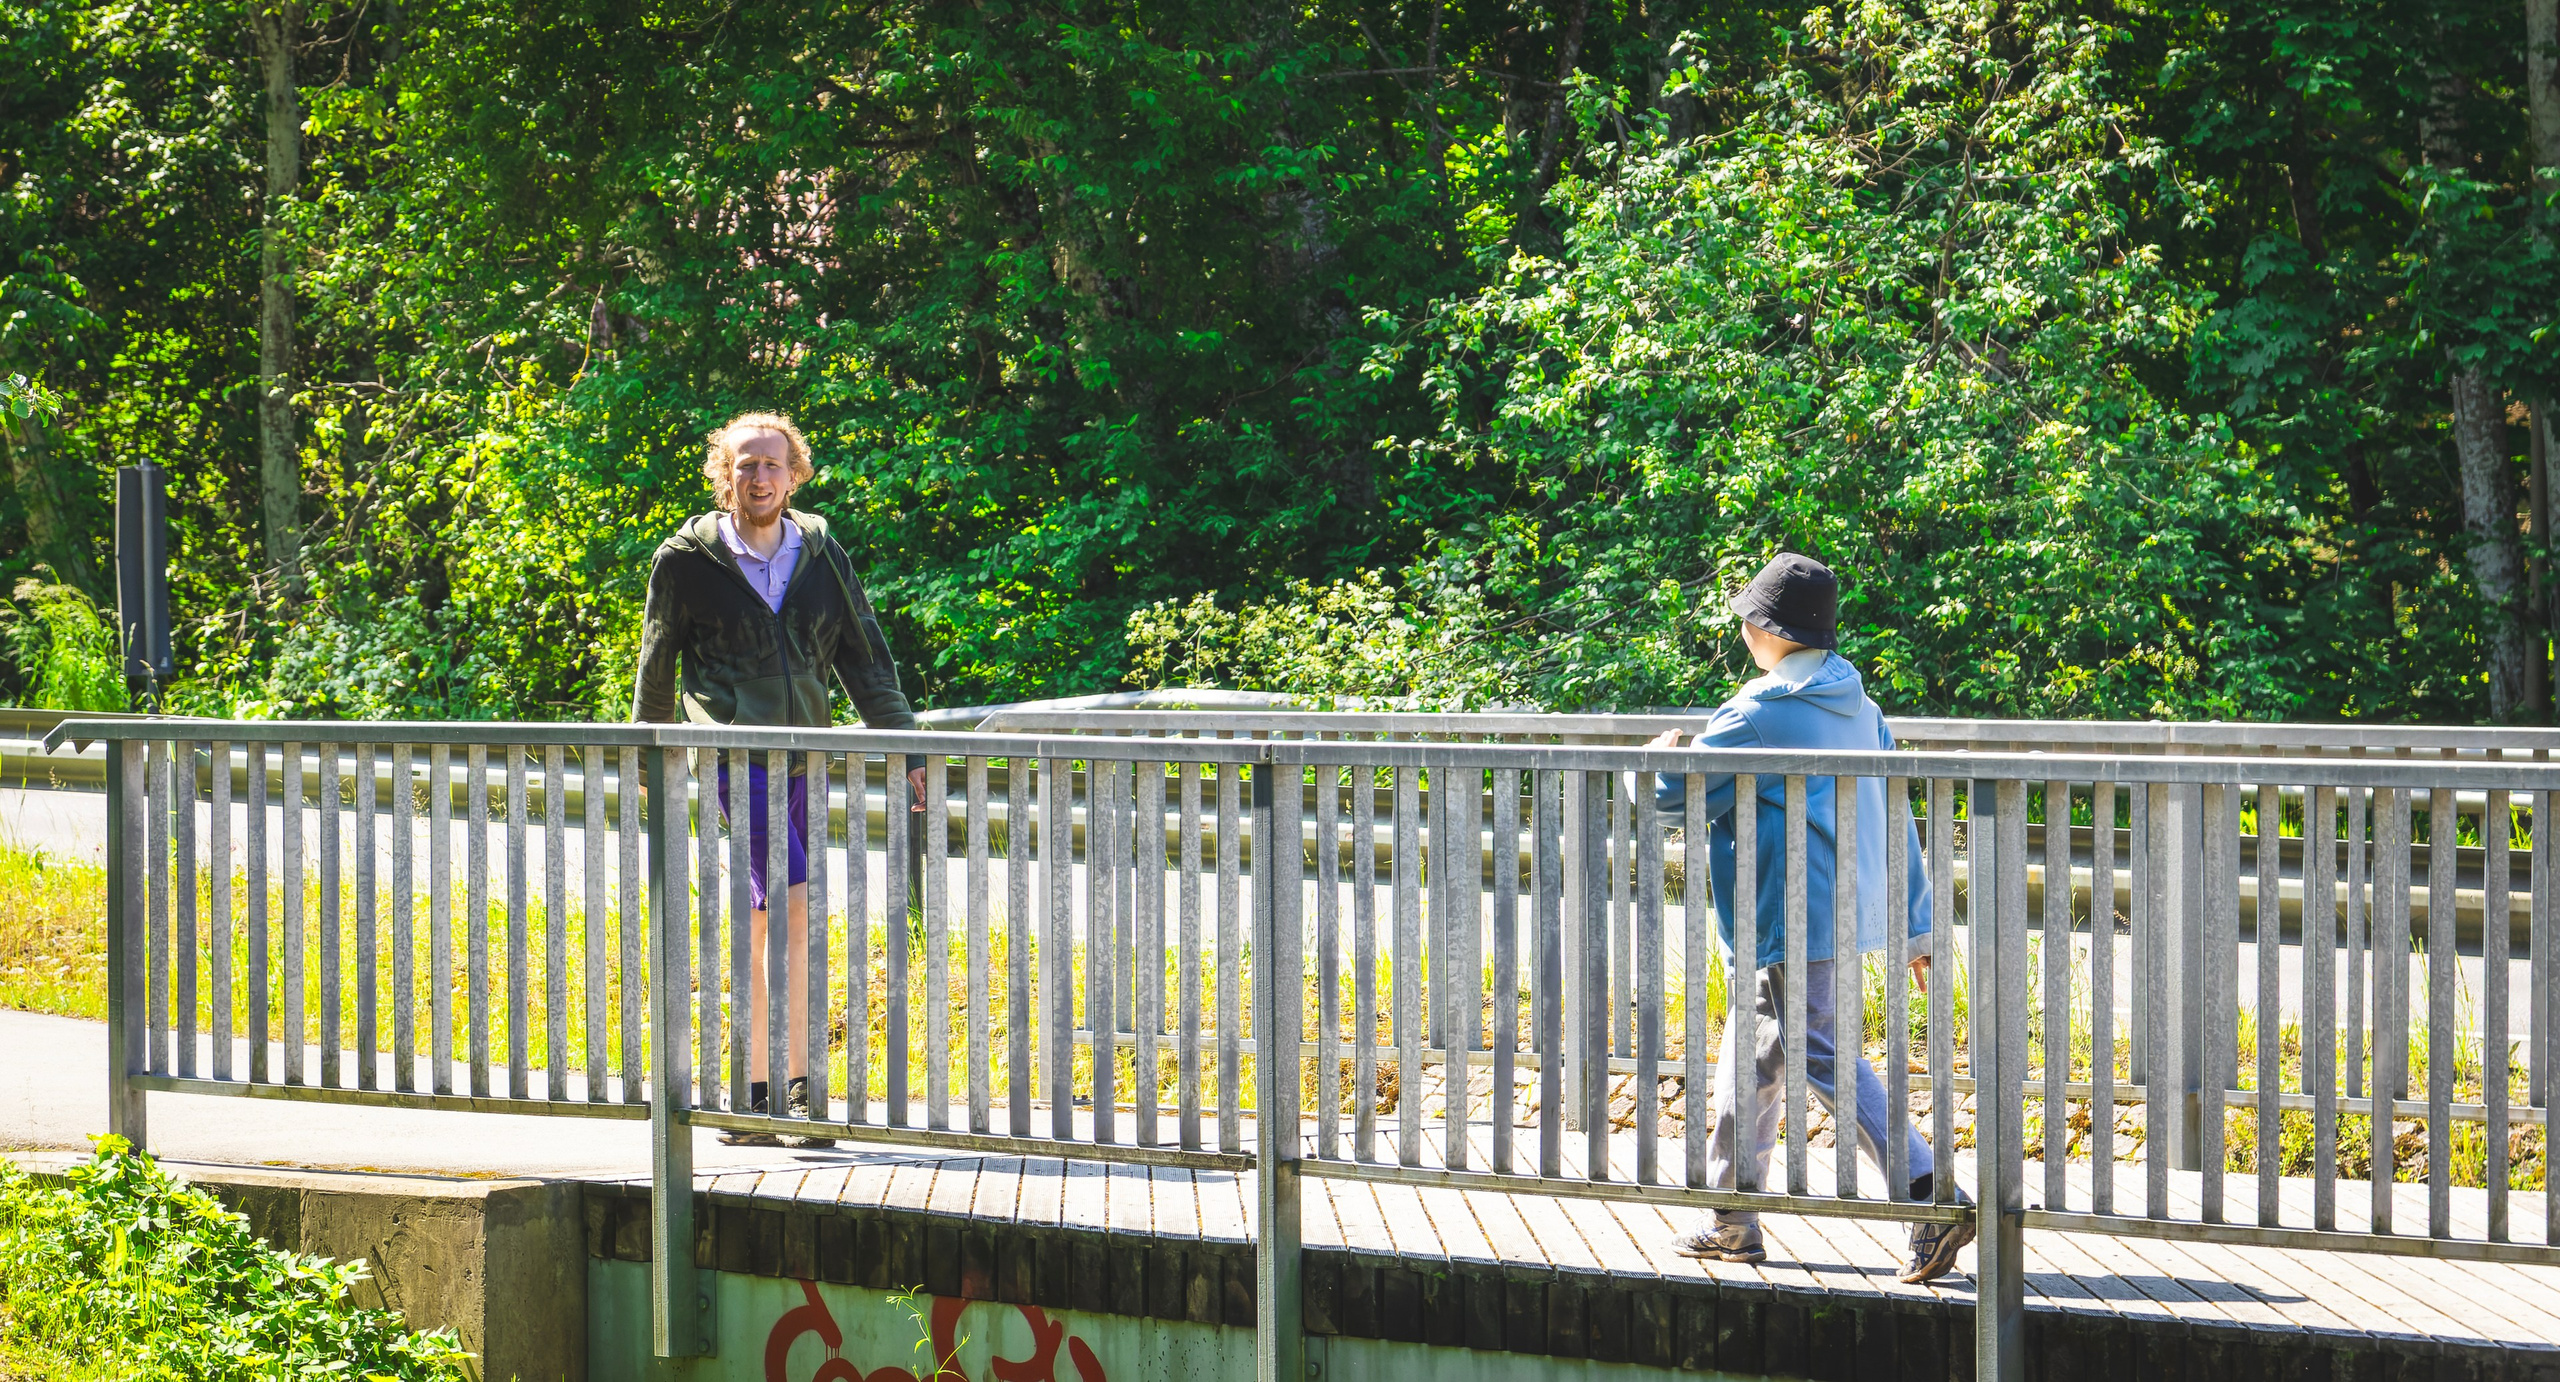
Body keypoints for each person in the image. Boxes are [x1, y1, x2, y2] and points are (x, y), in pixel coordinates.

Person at [1650, 553, 1975, 1285]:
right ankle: (1731, 1220)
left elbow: (1678, 803)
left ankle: (1929, 1191)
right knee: (1754, 1053)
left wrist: (1660, 760)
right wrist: (1916, 926)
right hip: (1836, 916)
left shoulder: (1754, 714)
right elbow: (1899, 818)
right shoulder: (1864, 712)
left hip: (1777, 916)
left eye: (1746, 616)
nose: (1741, 628)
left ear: (1766, 627)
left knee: (1811, 1049)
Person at [633, 411, 925, 1148]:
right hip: (736, 758)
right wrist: (648, 762)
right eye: (744, 465)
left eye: (771, 465)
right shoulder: (685, 560)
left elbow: (865, 656)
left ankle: (765, 1091)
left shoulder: (820, 555)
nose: (758, 478)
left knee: (773, 918)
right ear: (722, 476)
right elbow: (656, 664)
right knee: (790, 907)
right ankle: (785, 1090)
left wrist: (910, 750)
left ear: (794, 474)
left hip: (804, 755)